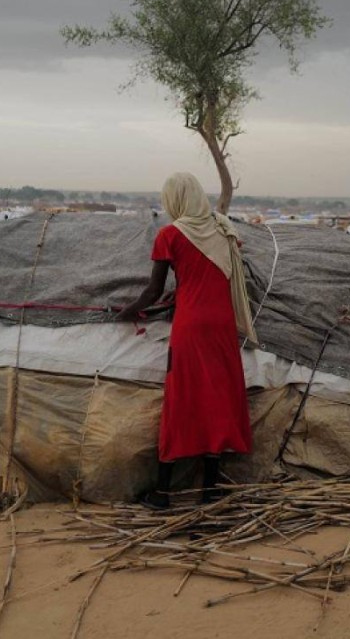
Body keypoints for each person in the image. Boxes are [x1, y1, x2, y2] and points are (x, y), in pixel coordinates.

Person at [116, 172, 257, 508]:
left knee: (182, 400)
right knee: (218, 401)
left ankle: (163, 493)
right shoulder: (224, 231)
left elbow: (153, 290)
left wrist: (126, 311)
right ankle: (209, 491)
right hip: (222, 326)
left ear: (175, 200)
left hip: (191, 327)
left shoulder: (170, 235)